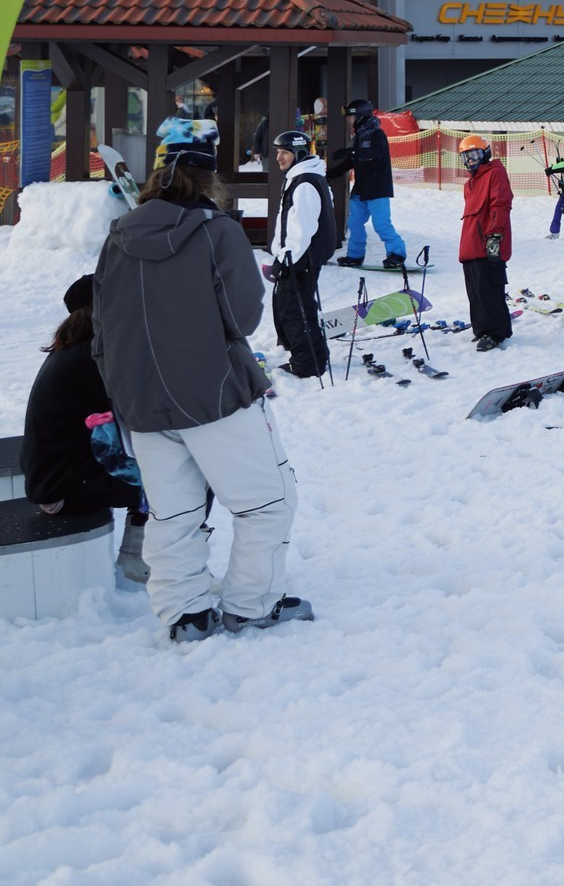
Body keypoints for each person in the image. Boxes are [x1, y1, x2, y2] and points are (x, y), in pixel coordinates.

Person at [90, 135, 305, 642]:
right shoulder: (218, 232)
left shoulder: (117, 234)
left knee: (174, 513)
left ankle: (184, 613)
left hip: (140, 399)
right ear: (210, 181)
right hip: (212, 393)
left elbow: (100, 323)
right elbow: (243, 316)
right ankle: (251, 605)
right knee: (267, 502)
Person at [23, 274, 149, 585]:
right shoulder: (87, 360)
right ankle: (137, 557)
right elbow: (139, 411)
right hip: (62, 489)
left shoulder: (75, 352)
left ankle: (141, 553)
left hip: (57, 478)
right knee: (174, 476)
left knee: (162, 465)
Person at [265, 128, 334, 379]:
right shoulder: (305, 177)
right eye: (278, 153)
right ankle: (314, 356)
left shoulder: (305, 183)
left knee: (295, 311)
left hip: (300, 259)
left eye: (285, 152)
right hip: (300, 258)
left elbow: (302, 228)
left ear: (299, 153)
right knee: (298, 307)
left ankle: (307, 364)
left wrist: (286, 260)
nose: (279, 158)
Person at [332, 99, 405, 270]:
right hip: (361, 189)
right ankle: (355, 256)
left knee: (381, 224)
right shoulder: (359, 136)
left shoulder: (377, 134)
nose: (349, 120)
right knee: (355, 223)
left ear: (359, 116)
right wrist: (330, 174)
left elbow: (375, 154)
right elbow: (354, 161)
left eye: (350, 116)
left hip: (377, 188)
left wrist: (351, 151)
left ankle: (397, 254)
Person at [459, 134, 515, 351]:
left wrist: (495, 235)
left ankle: (494, 332)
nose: (471, 160)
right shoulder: (470, 183)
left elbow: (500, 204)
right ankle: (482, 329)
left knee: (488, 288)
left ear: (485, 154)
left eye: (474, 154)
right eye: (466, 156)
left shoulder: (495, 173)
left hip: (487, 242)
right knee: (475, 290)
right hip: (470, 243)